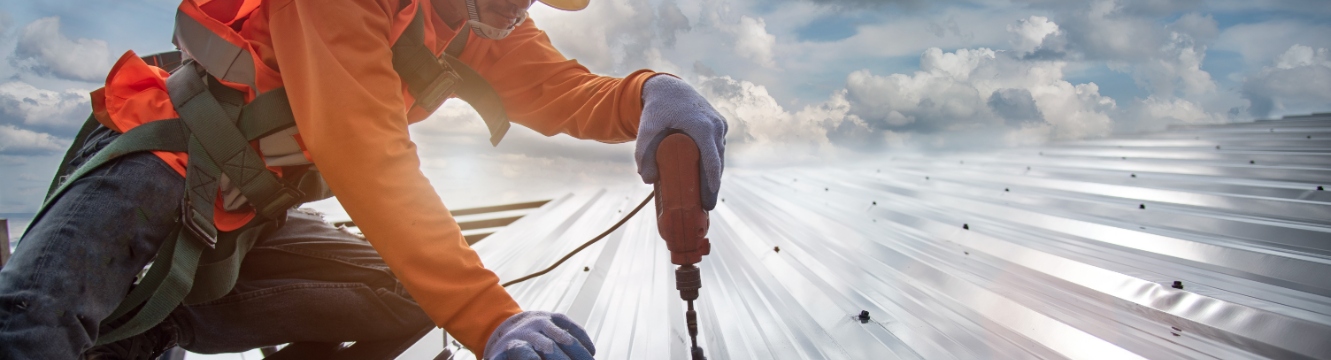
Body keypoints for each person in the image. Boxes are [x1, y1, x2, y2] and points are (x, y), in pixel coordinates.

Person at [0, 0, 727, 358]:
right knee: (32, 326)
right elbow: (367, 157)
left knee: (398, 300)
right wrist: (490, 318)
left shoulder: (482, 24)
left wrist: (651, 94)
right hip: (161, 156)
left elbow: (572, 92)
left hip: (250, 208)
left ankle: (143, 332)